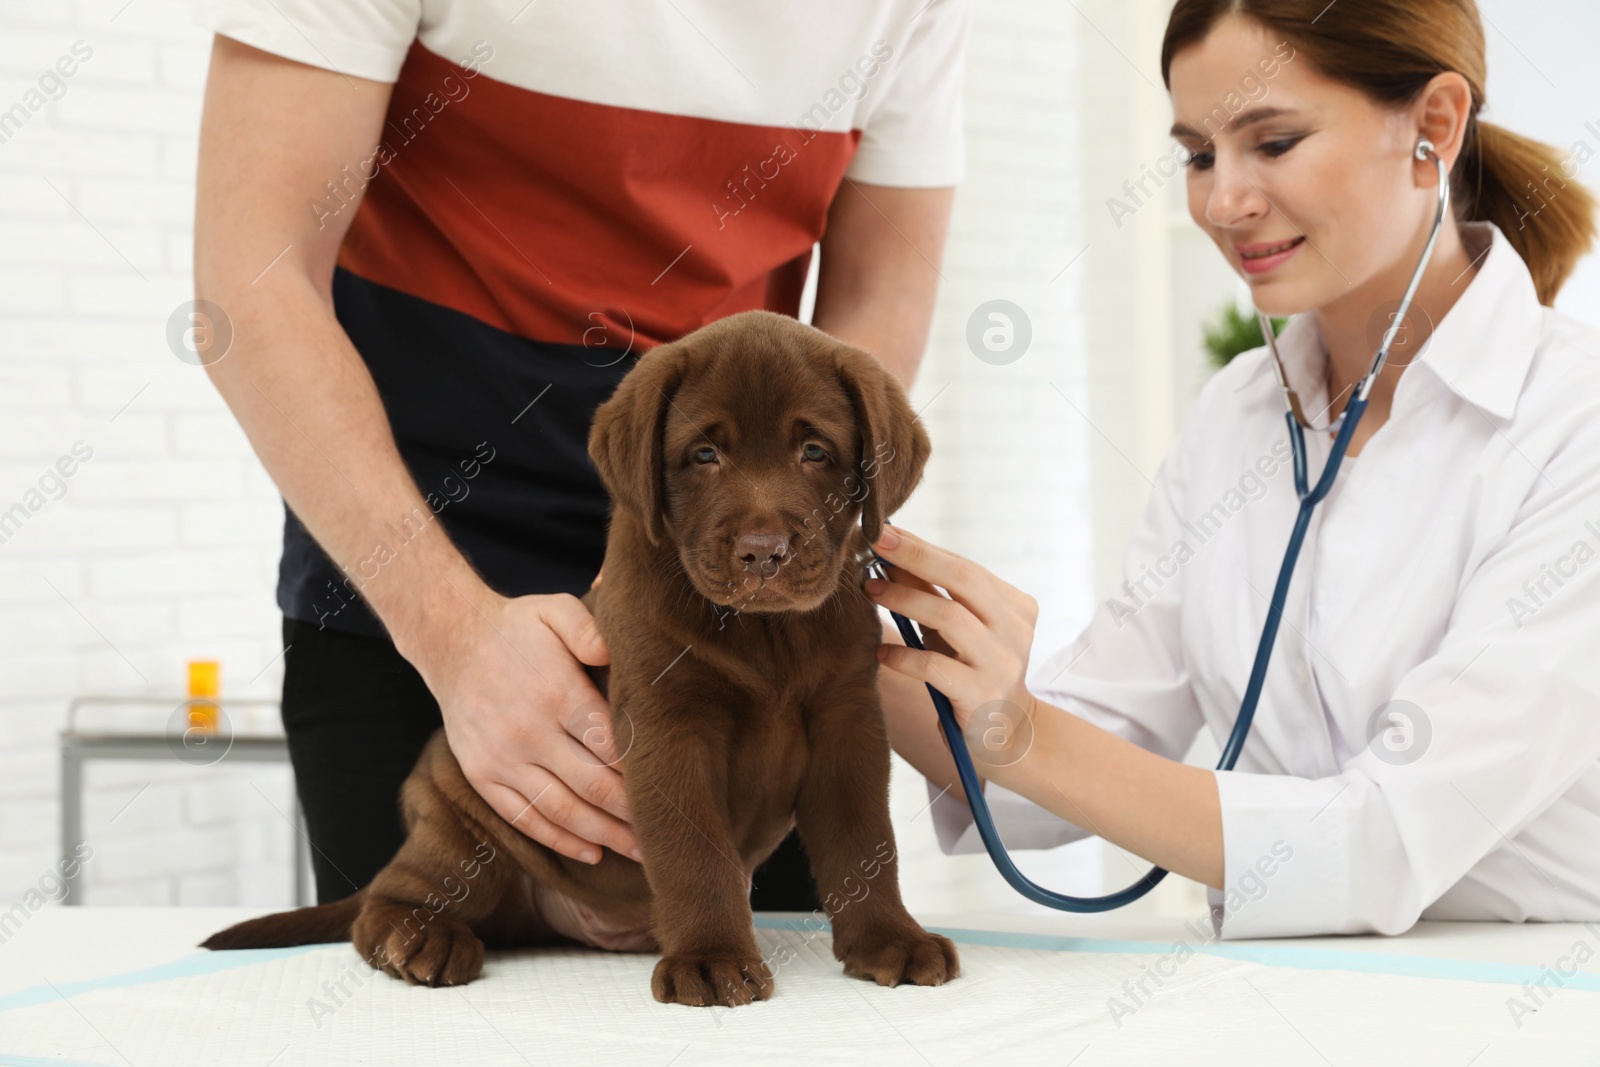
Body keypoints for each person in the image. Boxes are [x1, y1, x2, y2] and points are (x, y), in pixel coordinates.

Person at [191, 0, 969, 908]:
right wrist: (452, 635)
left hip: (741, 615)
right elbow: (252, 282)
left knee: (764, 1024)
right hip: (406, 584)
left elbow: (875, 314)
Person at [869, 0, 1600, 939]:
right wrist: (843, 644)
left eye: (1276, 142)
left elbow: (1385, 838)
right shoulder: (1238, 415)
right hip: (1278, 1006)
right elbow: (1070, 755)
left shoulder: (1572, 419)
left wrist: (1032, 734)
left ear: (1434, 126)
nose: (1224, 202)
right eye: (1199, 155)